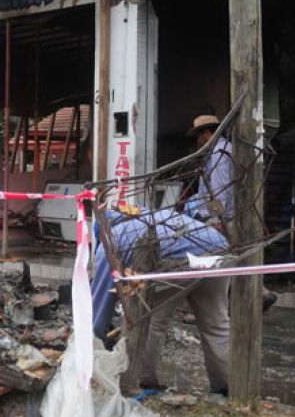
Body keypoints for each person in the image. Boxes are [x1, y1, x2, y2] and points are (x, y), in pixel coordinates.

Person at [91, 208, 230, 395]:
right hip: (220, 250)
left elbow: (100, 301)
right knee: (217, 325)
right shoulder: (148, 217)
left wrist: (92, 337)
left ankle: (143, 382)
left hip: (181, 259)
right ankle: (228, 388)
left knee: (151, 319)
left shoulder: (110, 240)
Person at [186, 115, 276, 311]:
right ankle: (261, 294)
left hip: (223, 217)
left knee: (214, 263)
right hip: (229, 215)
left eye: (199, 137)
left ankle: (211, 309)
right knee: (235, 258)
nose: (198, 142)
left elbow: (218, 190)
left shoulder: (219, 154)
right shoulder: (224, 150)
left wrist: (216, 219)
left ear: (206, 134)